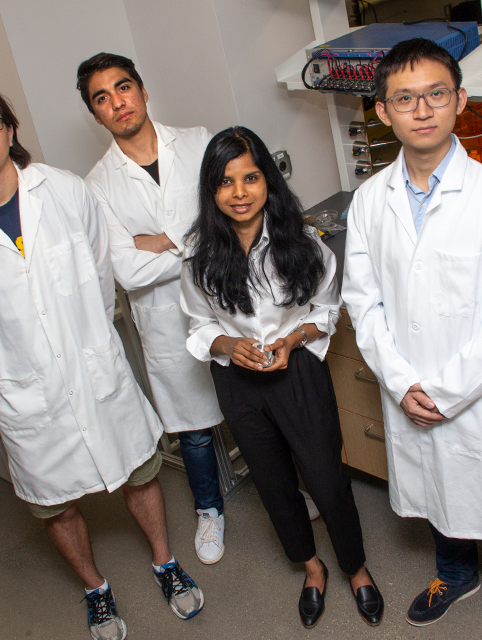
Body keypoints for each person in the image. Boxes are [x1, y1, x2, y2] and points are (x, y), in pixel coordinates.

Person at [0, 78, 205, 640]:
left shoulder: (67, 191)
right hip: (27, 392)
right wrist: (18, 365)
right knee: (56, 506)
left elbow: (102, 280)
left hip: (94, 364)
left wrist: (87, 341)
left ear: (9, 131)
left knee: (140, 472)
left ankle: (165, 563)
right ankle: (96, 589)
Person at [341, 38, 482, 640]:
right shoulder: (369, 201)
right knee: (435, 489)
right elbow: (363, 299)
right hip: (406, 383)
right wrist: (403, 384)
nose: (422, 110)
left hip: (478, 391)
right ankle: (455, 575)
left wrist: (445, 392)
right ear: (383, 112)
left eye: (435, 94)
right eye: (405, 99)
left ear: (459, 100)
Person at [179, 126, 383, 629]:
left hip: (298, 378)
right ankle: (312, 567)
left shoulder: (303, 244)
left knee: (327, 479)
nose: (241, 192)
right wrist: (229, 345)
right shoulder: (198, 256)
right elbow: (199, 324)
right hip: (239, 385)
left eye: (251, 177)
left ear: (268, 179)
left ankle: (355, 567)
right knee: (273, 484)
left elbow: (326, 311)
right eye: (226, 182)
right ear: (211, 190)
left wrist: (292, 341)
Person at [76, 52, 228, 565]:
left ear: (142, 90)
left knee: (258, 404)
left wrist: (161, 242)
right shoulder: (96, 187)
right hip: (165, 321)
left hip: (229, 300)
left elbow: (230, 220)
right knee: (193, 429)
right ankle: (209, 510)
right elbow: (127, 271)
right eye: (102, 97)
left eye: (123, 88)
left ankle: (288, 488)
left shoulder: (200, 141)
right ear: (95, 114)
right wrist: (197, 239)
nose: (117, 102)